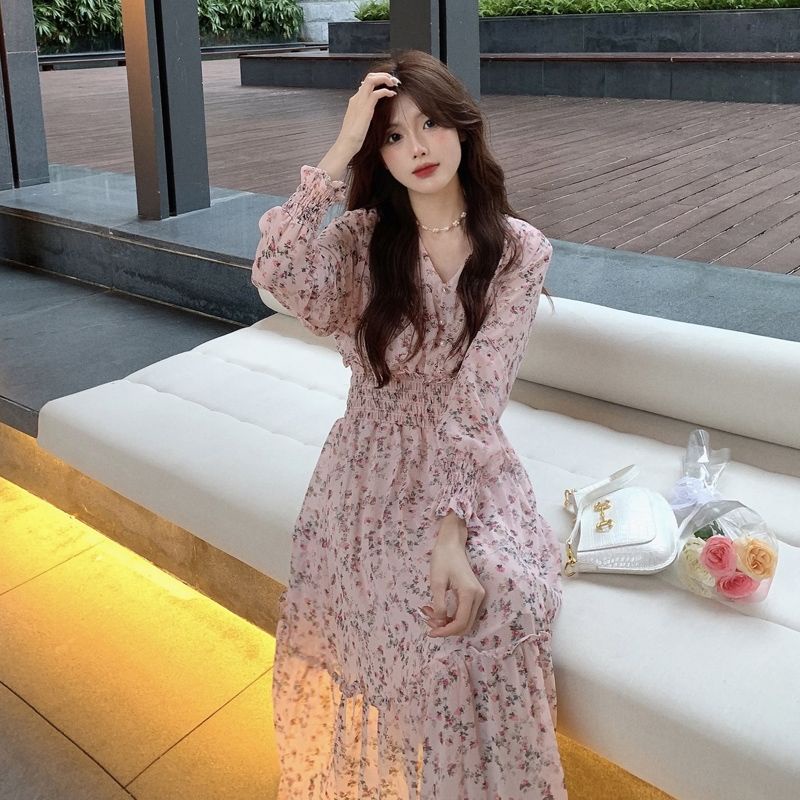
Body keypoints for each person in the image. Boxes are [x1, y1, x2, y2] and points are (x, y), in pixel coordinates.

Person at [252, 49, 566, 800]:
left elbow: (479, 398)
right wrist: (338, 148)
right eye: (392, 136)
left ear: (462, 126)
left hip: (465, 466)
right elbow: (276, 271)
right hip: (368, 472)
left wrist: (451, 532)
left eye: (429, 124)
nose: (417, 147)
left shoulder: (518, 250)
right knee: (421, 619)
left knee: (500, 597)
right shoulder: (363, 241)